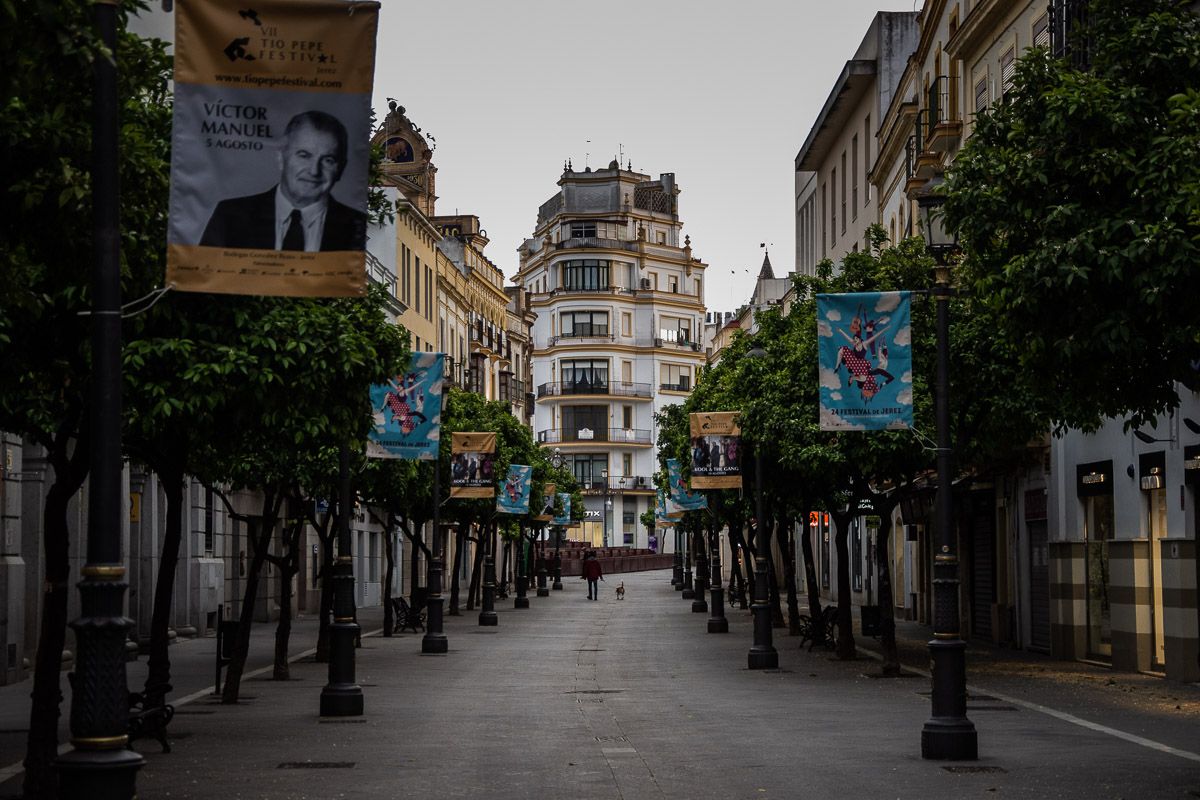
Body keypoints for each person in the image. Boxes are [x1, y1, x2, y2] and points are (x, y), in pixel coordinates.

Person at [200, 110, 366, 251]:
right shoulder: (230, 216)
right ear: (281, 157)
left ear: (341, 168)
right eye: (304, 155)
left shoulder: (356, 225)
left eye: (328, 160)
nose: (314, 171)